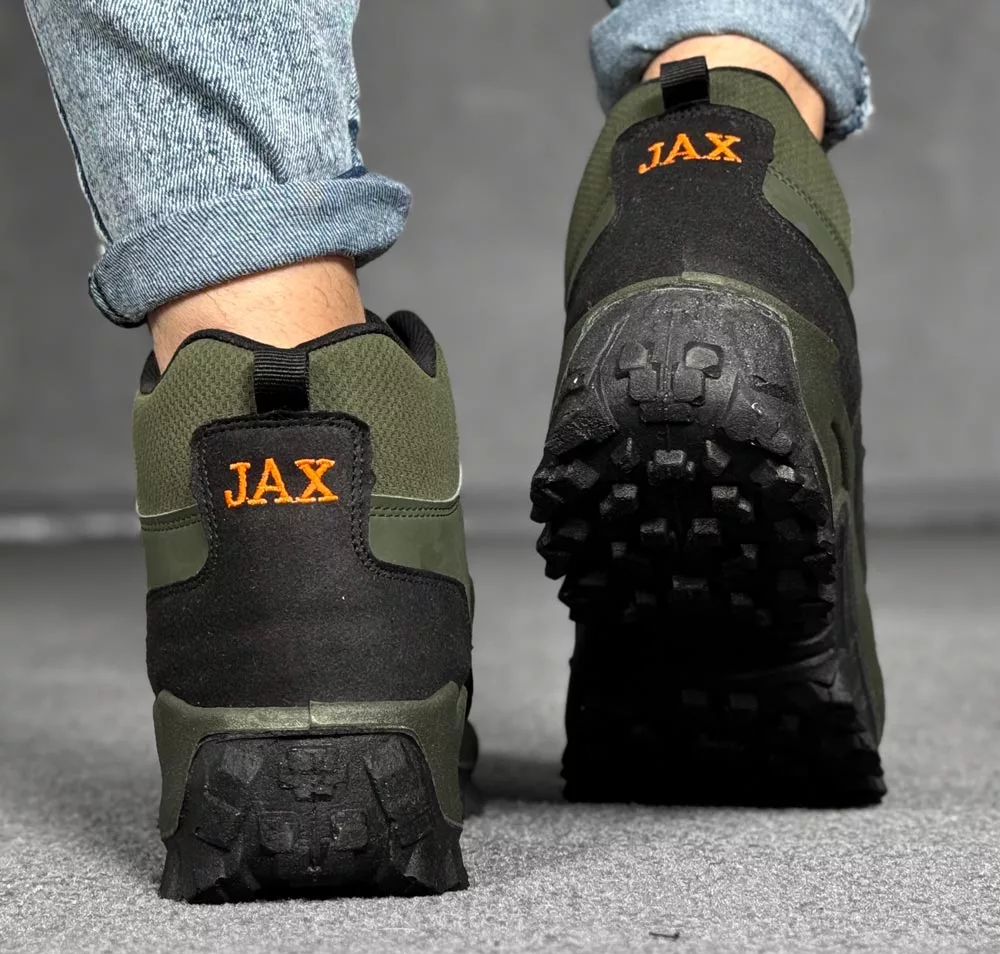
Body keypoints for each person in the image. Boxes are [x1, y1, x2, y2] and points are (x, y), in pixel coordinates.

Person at [23, 0, 886, 903]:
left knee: (250, 288)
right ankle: (725, 179)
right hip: (733, 220)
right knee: (730, 37)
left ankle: (257, 324)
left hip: (229, 507)